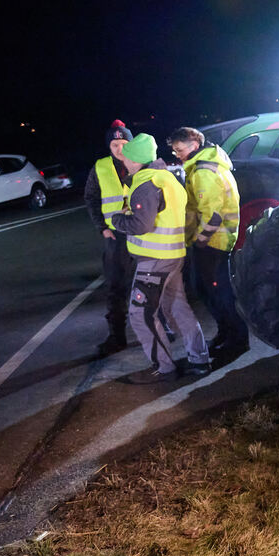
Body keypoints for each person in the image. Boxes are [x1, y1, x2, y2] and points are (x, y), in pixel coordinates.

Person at [109, 133, 211, 383]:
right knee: (177, 308)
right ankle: (199, 360)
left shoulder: (145, 183)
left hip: (154, 260)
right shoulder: (167, 178)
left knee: (140, 314)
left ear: (137, 160)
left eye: (128, 156)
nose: (124, 160)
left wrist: (116, 219)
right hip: (173, 255)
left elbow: (141, 224)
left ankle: (164, 368)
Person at [167, 126, 250, 357]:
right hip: (212, 241)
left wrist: (200, 241)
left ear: (194, 145)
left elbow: (212, 215)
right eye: (174, 151)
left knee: (217, 293)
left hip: (213, 242)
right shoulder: (202, 166)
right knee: (207, 291)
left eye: (179, 149)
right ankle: (227, 333)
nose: (177, 154)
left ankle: (237, 340)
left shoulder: (203, 171)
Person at [83, 120, 135, 357]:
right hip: (115, 237)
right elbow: (91, 198)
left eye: (123, 143)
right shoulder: (100, 167)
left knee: (150, 282)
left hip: (141, 234)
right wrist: (101, 227)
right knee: (116, 287)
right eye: (114, 144)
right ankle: (117, 336)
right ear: (109, 146)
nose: (119, 148)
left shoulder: (141, 164)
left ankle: (161, 326)